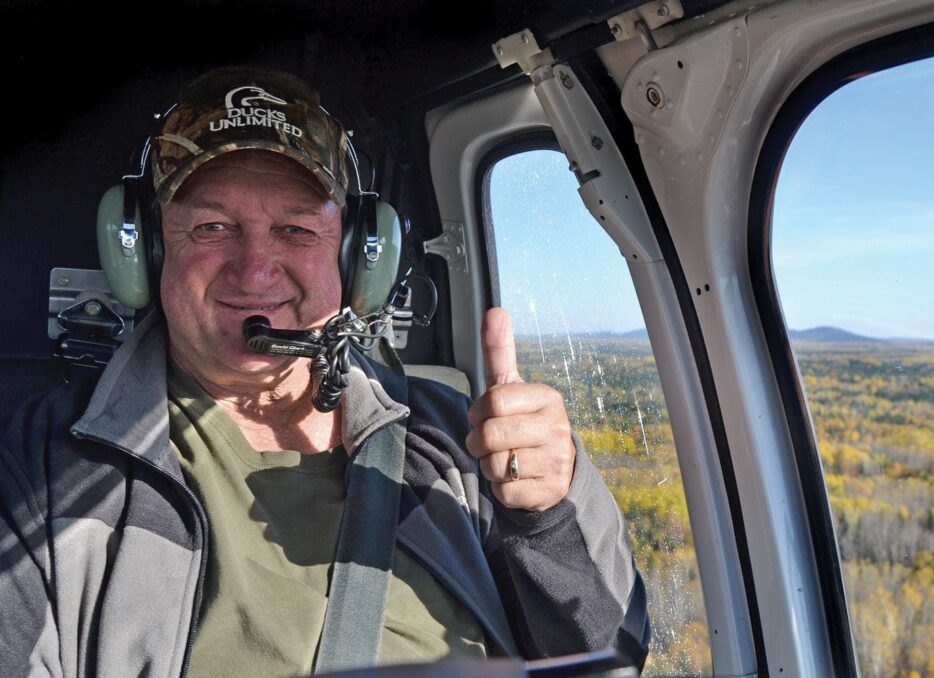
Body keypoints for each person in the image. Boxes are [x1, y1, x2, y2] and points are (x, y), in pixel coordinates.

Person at [0, 67, 649, 677]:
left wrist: (545, 519)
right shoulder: (48, 467)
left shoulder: (468, 440)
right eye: (212, 226)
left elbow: (608, 661)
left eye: (295, 229)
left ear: (359, 257)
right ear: (143, 245)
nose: (255, 271)